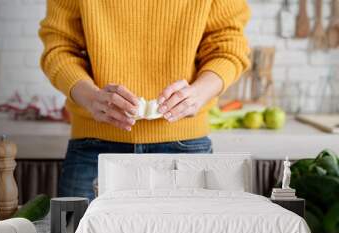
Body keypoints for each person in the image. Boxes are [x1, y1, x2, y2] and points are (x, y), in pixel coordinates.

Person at [39, 0, 251, 201]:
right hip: (94, 146)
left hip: (184, 147)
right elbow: (59, 48)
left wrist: (199, 93)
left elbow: (229, 46)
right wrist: (91, 97)